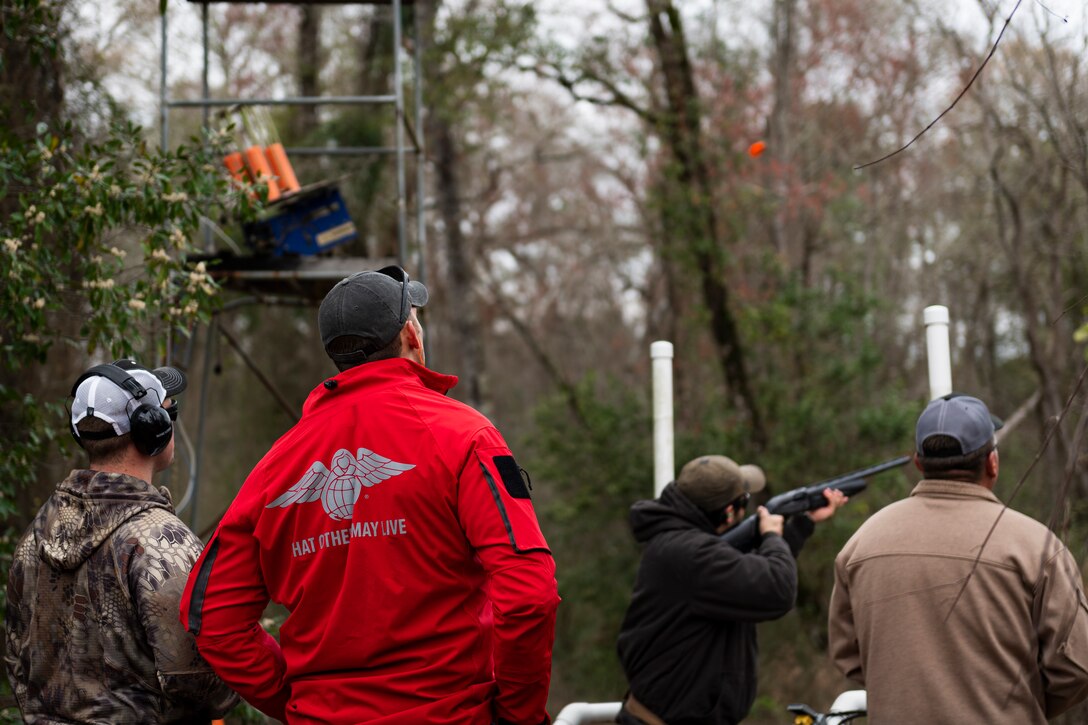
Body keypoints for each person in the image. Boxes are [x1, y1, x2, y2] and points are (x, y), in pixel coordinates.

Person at [180, 266, 560, 725]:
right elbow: (529, 593)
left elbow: (212, 619)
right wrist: (520, 716)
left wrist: (297, 703)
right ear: (410, 334)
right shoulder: (464, 436)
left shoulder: (275, 466)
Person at [828, 393, 1088, 723]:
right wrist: (1020, 706)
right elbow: (1078, 667)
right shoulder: (1037, 547)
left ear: (919, 463)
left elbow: (849, 656)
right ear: (992, 462)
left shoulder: (861, 546)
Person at [4, 359, 238, 724]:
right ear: (153, 431)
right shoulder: (162, 542)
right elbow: (201, 683)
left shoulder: (36, 535)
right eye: (168, 411)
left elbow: (17, 660)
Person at [615, 454, 846, 725]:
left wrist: (803, 523)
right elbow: (777, 590)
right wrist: (772, 535)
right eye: (744, 502)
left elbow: (751, 581)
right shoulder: (693, 554)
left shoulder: (681, 546)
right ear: (728, 512)